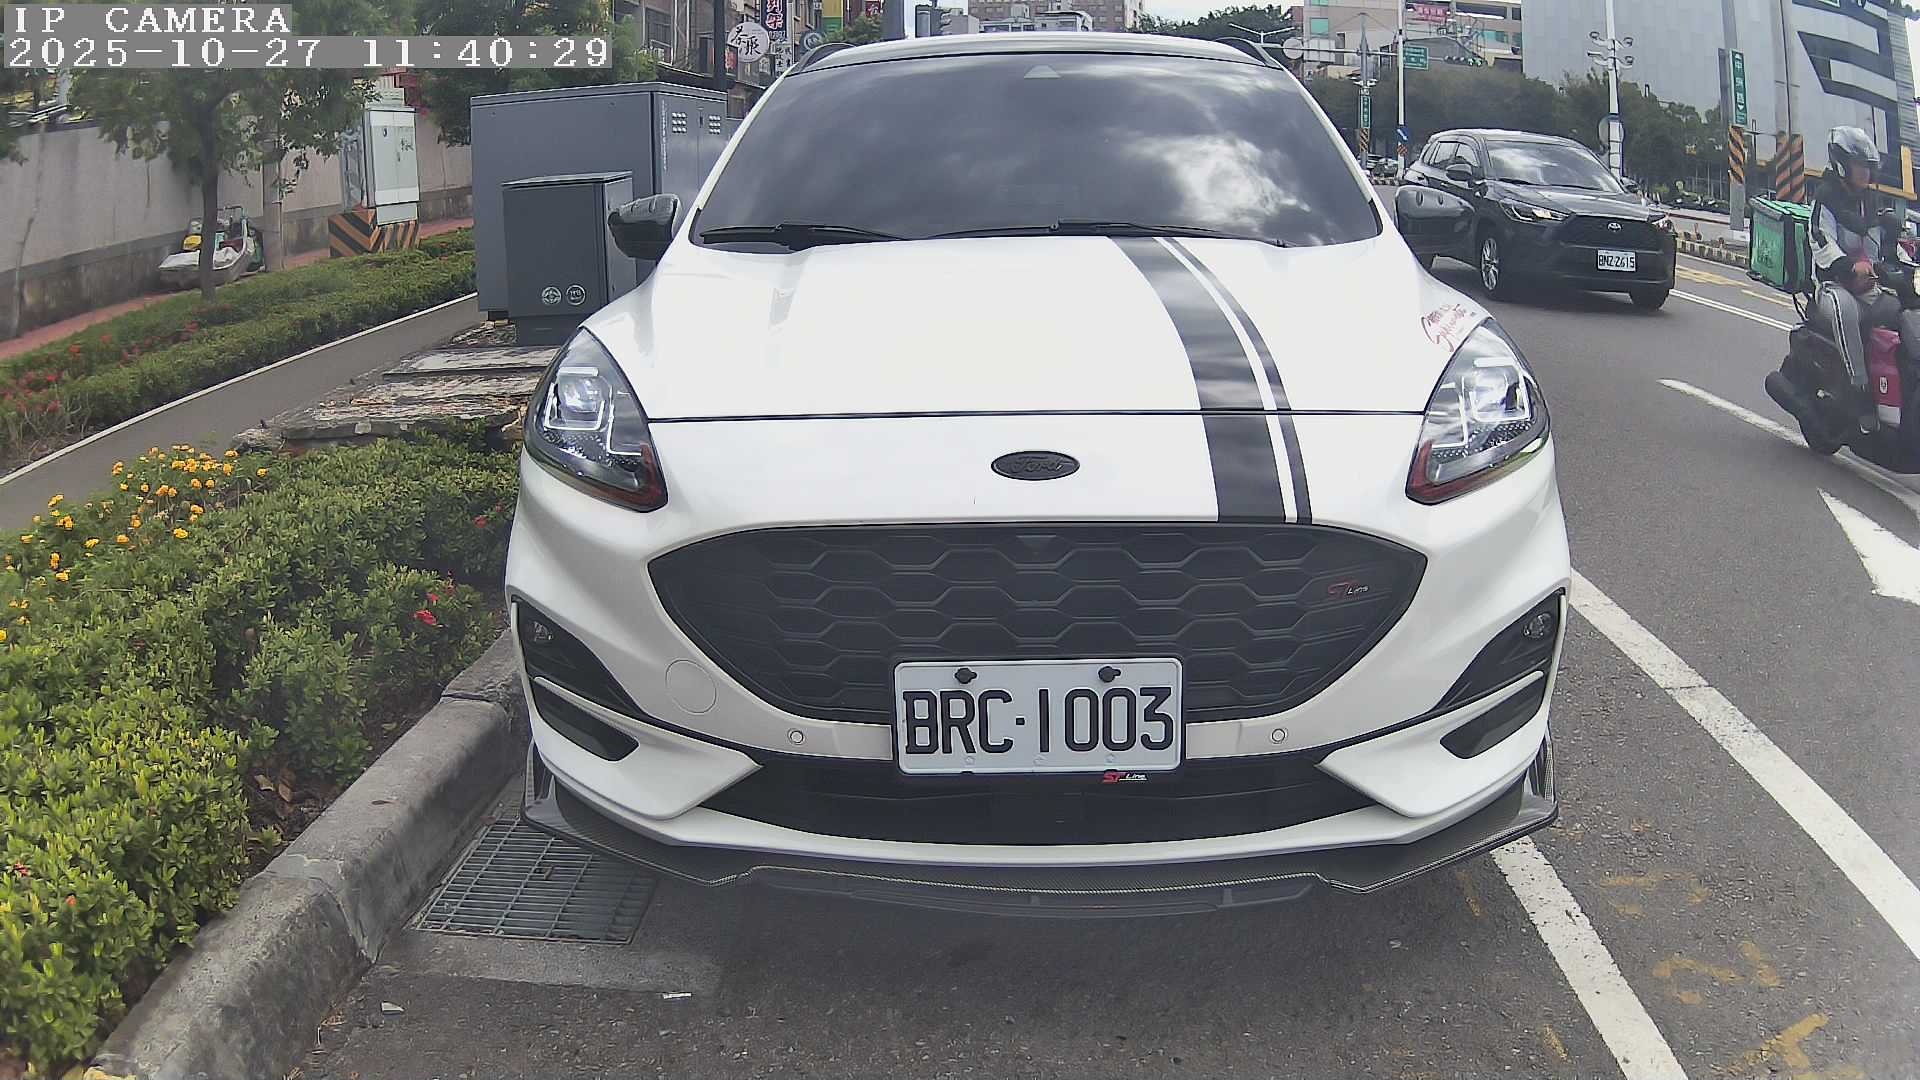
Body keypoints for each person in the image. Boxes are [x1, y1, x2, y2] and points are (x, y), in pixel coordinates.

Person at [1809, 126, 1901, 434]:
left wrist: (1879, 266)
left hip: (1864, 284)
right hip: (1831, 284)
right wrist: (1850, 268)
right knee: (1845, 309)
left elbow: (1874, 242)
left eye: (1868, 167)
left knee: (1900, 308)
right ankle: (1859, 389)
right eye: (1859, 165)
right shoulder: (1825, 198)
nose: (1865, 173)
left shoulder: (1868, 201)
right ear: (1842, 165)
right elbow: (1821, 240)